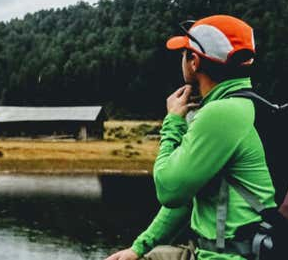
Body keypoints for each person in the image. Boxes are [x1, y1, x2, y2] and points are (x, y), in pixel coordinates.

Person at [105, 15, 276, 260]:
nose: (181, 59)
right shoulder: (247, 106)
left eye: (184, 52)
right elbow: (186, 197)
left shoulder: (220, 114)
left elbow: (169, 190)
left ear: (194, 61)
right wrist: (138, 248)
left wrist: (173, 121)